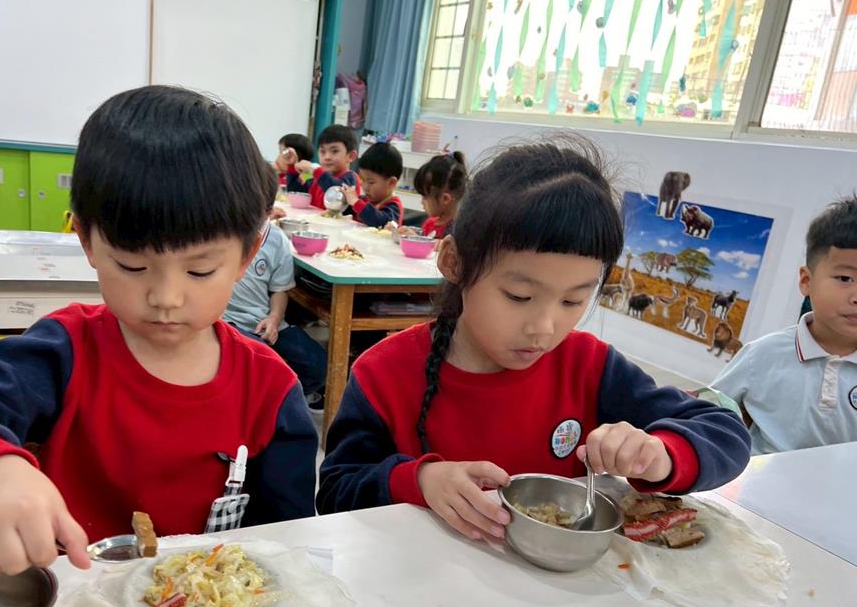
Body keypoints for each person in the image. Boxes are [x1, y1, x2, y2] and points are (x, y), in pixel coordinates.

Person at [0, 86, 319, 576]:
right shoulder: (62, 352)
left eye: (200, 271)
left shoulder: (269, 390)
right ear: (87, 241)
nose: (166, 297)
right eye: (132, 266)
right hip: (72, 599)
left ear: (247, 255)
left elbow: (285, 545)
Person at [316, 137, 751, 541]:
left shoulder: (587, 365)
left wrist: (660, 454)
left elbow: (724, 431)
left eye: (572, 300)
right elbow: (335, 493)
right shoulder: (383, 373)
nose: (544, 327)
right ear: (453, 263)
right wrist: (418, 480)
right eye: (519, 296)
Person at [713, 195, 857, 454]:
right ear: (806, 281)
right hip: (759, 479)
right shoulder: (761, 354)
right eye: (845, 278)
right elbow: (706, 413)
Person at [223, 196, 328, 409]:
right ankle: (258, 405)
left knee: (318, 364)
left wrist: (274, 318)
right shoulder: (220, 231)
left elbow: (280, 290)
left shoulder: (276, 239)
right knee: (259, 362)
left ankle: (279, 403)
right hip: (226, 320)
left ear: (270, 211)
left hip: (263, 321)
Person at [284, 124, 359, 210]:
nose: (327, 157)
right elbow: (296, 193)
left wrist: (315, 170)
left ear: (351, 156)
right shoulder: (315, 176)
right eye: (322, 151)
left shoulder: (350, 178)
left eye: (335, 151)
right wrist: (292, 167)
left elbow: (337, 192)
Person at [399, 152, 468, 240]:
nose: (421, 202)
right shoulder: (429, 224)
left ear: (445, 199)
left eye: (425, 197)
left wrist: (417, 239)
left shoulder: (458, 230)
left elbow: (440, 246)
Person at [344, 142, 404, 228]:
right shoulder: (364, 200)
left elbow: (380, 222)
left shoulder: (393, 207)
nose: (365, 187)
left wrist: (356, 202)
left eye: (371, 182)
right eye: (362, 180)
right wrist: (343, 202)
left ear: (391, 182)